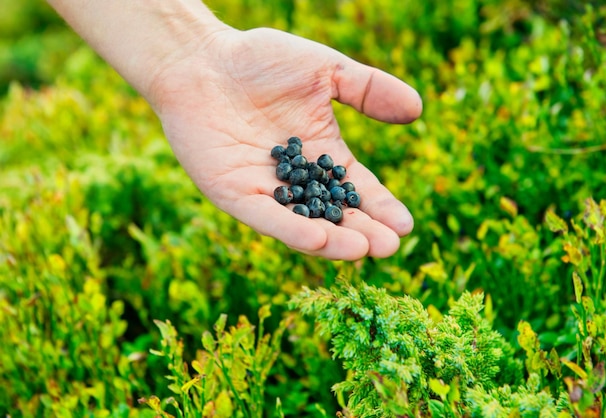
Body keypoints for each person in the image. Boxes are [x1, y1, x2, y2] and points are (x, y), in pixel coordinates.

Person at [46, 0, 423, 261]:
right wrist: (189, 52)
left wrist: (192, 48)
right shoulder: (304, 175)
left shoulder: (311, 179)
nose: (328, 183)